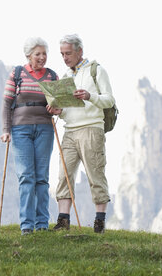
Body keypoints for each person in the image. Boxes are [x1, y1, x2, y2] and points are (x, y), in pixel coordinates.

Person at [47, 34, 115, 233]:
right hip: (70, 130)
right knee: (64, 175)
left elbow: (109, 100)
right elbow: (70, 108)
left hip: (92, 129)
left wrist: (89, 96)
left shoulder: (96, 71)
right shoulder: (67, 77)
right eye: (62, 54)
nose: (65, 58)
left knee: (95, 173)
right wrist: (59, 110)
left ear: (80, 51)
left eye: (68, 53)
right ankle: (63, 220)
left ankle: (99, 221)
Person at [0, 37, 58, 236]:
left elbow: (58, 104)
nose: (42, 57)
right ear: (28, 56)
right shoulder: (17, 74)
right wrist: (6, 130)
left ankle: (42, 224)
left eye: (44, 53)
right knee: (26, 177)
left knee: (42, 177)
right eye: (38, 54)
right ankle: (27, 225)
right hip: (20, 129)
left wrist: (56, 108)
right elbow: (7, 104)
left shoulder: (52, 76)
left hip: (45, 128)